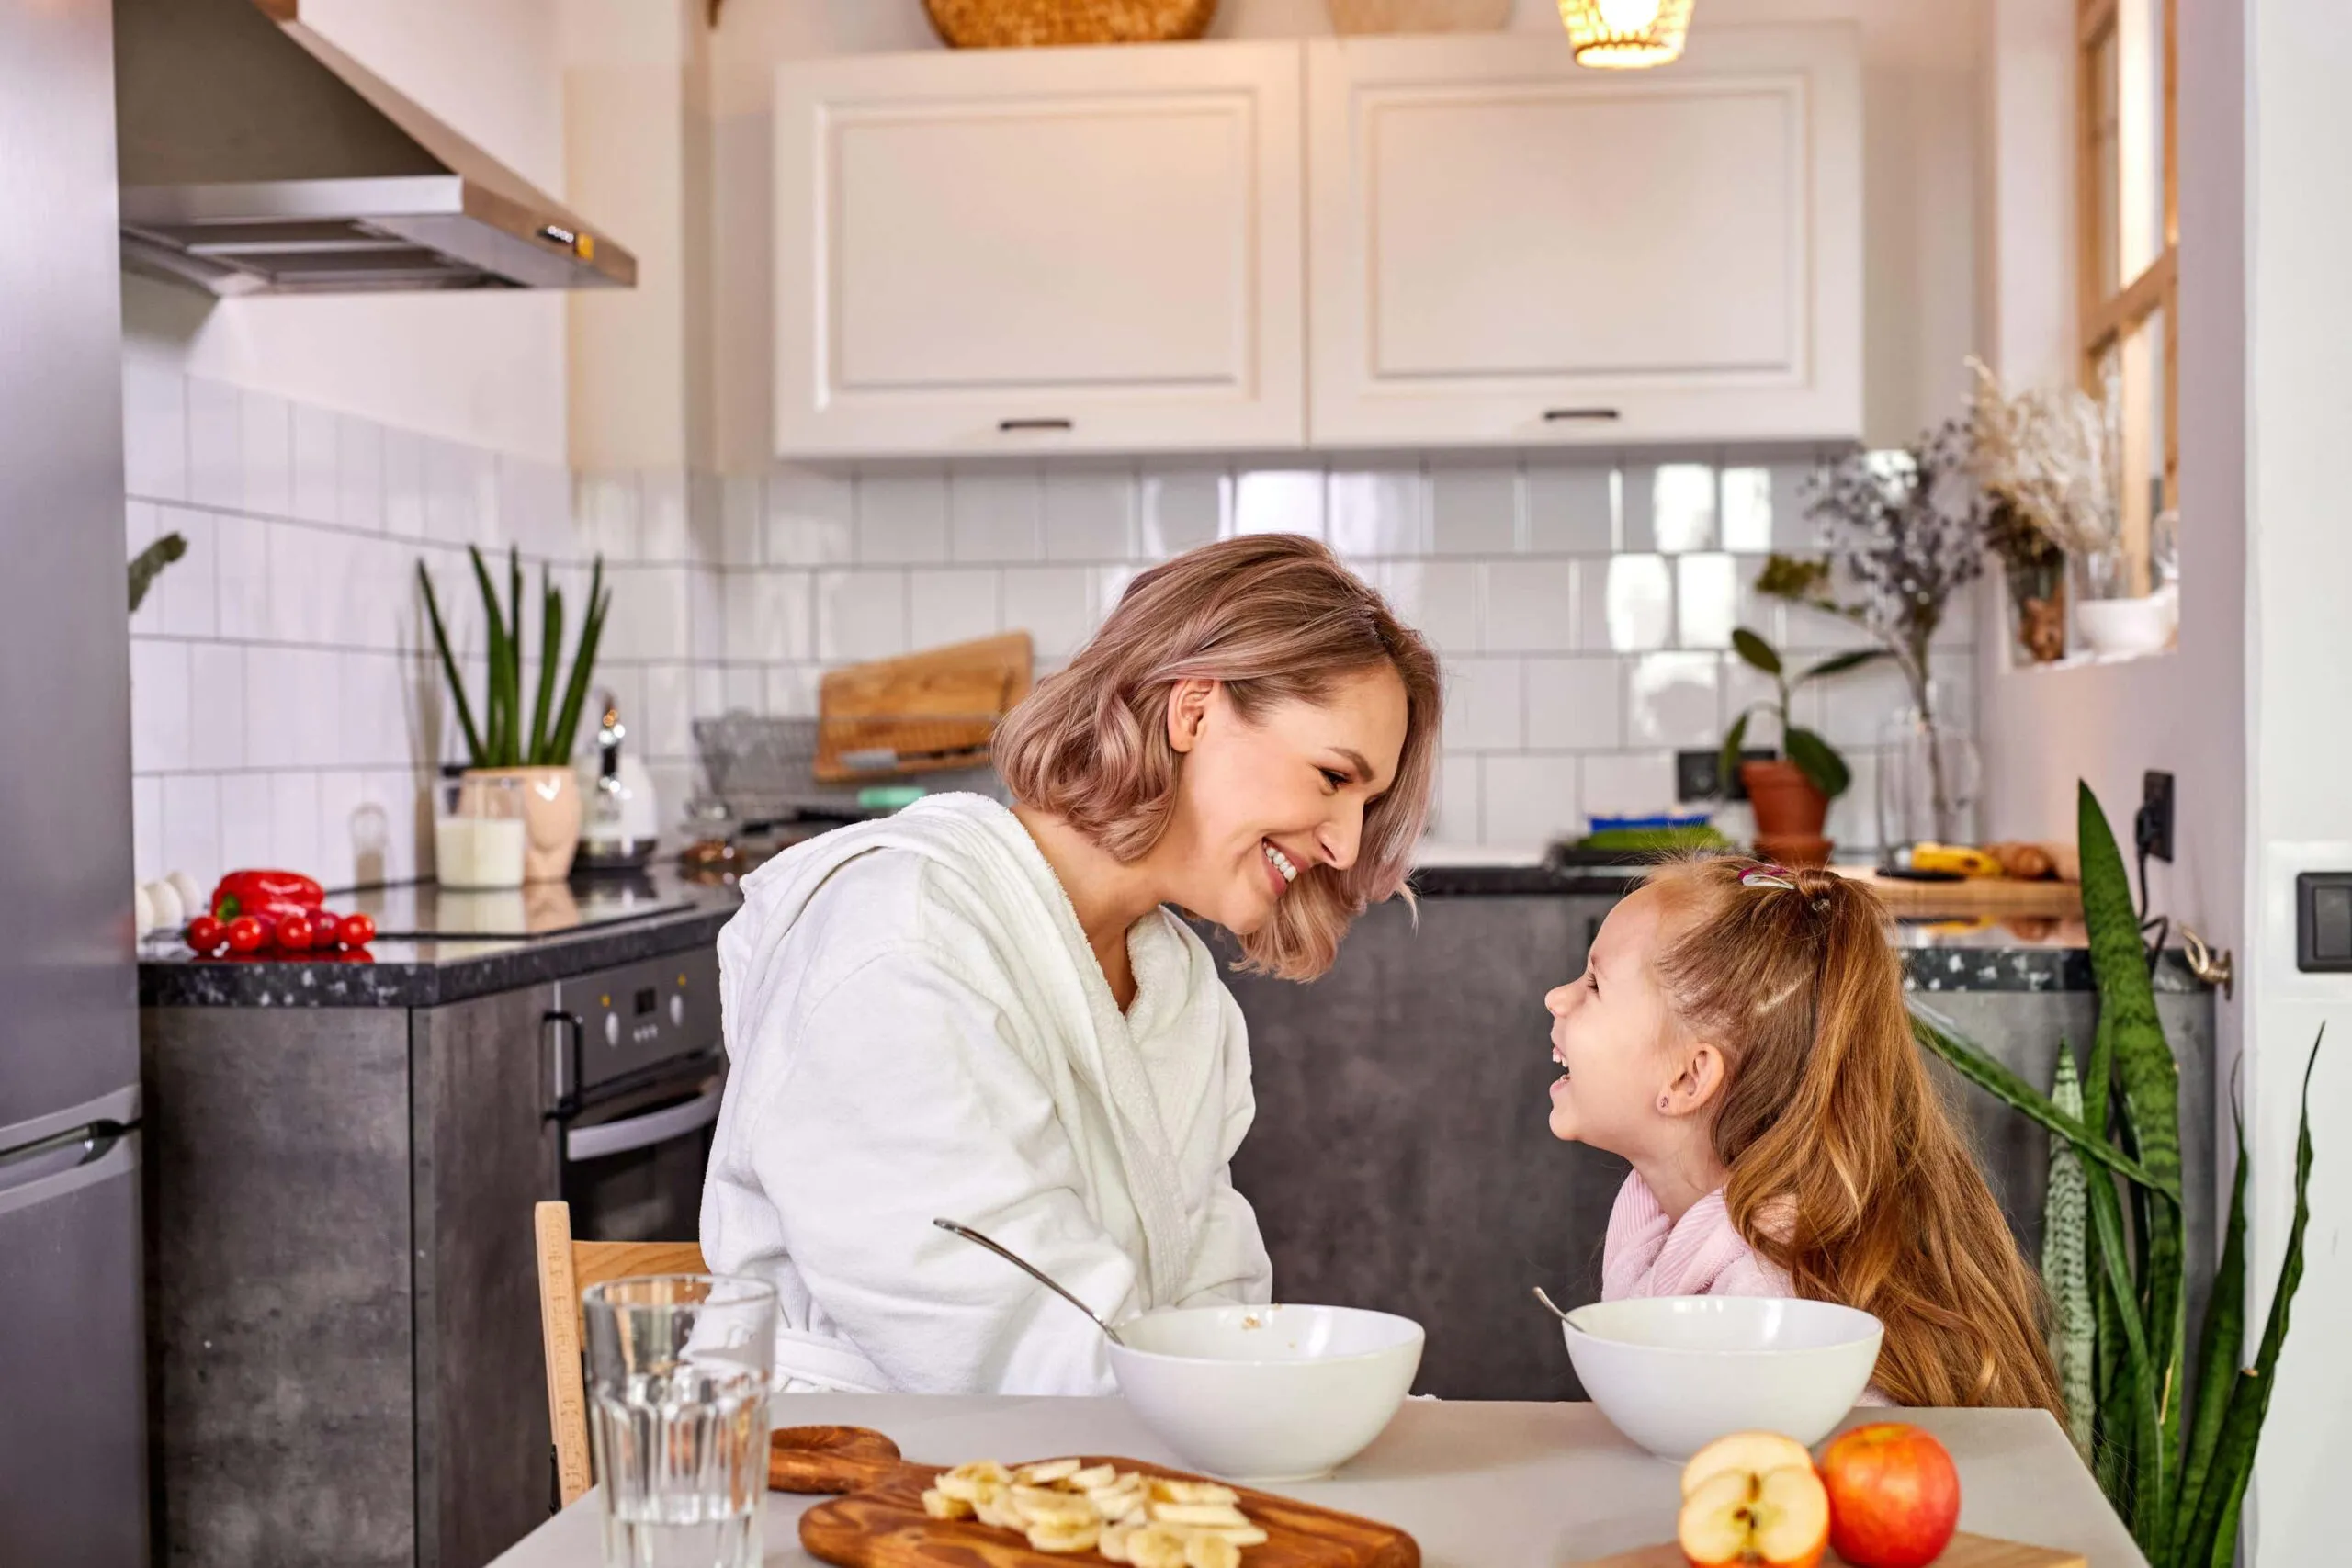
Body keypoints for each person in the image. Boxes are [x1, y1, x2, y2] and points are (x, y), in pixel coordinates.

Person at [703, 534, 1442, 1395]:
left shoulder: (1180, 995)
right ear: (1194, 710)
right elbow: (981, 1318)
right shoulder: (904, 927)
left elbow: (1214, 1295)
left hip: (1080, 1467)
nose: (1347, 842)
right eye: (1330, 777)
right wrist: (1254, 1414)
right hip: (834, 1481)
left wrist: (1274, 1412)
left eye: (1368, 803)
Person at [1542, 856, 2064, 1414]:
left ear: (1688, 1077)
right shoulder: (1673, 1230)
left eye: (1595, 983)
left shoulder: (1774, 1321)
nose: (1557, 997)